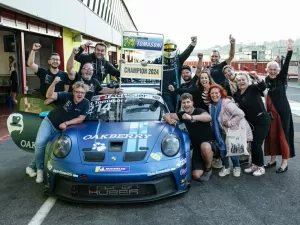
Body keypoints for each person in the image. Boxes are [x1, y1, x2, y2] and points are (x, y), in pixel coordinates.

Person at [25, 79, 90, 183]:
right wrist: (54, 83)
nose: (79, 94)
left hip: (62, 128)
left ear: (85, 94)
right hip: (49, 122)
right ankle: (40, 170)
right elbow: (49, 95)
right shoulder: (66, 95)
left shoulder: (86, 103)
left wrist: (66, 123)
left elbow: (81, 118)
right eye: (77, 92)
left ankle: (30, 167)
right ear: (73, 92)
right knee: (40, 143)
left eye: (82, 92)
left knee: (51, 148)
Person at [163, 93, 217, 181]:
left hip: (211, 143)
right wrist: (169, 120)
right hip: (197, 147)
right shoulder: (182, 114)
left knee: (205, 146)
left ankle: (208, 168)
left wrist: (191, 117)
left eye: (188, 102)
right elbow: (166, 115)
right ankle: (205, 161)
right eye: (183, 103)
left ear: (192, 103)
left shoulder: (199, 110)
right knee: (196, 175)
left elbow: (208, 117)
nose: (186, 105)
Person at [207, 84, 253, 177]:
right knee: (223, 152)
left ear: (221, 94)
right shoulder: (211, 105)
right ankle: (226, 168)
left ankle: (237, 167)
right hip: (219, 132)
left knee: (232, 151)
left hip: (230, 131)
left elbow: (240, 114)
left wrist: (230, 123)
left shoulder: (226, 103)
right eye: (212, 93)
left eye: (216, 93)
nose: (214, 95)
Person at [264, 39, 295, 173]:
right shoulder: (266, 80)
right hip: (271, 113)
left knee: (283, 136)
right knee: (272, 136)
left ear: (278, 70)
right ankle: (272, 161)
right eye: (270, 69)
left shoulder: (281, 77)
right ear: (267, 70)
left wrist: (289, 50)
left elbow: (286, 64)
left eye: (275, 69)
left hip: (282, 112)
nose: (272, 71)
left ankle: (284, 163)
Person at [234, 71, 271, 176]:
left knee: (256, 144)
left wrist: (257, 77)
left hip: (262, 120)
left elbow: (263, 86)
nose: (241, 82)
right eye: (239, 80)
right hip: (251, 124)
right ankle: (254, 164)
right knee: (252, 144)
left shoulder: (253, 88)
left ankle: (260, 167)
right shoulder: (237, 94)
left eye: (243, 80)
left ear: (247, 81)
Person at [153, 37, 197, 112]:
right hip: (165, 91)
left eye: (171, 48)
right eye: (167, 48)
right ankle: (155, 105)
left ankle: (156, 106)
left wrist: (193, 44)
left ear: (175, 48)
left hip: (176, 90)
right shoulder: (158, 60)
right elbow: (148, 70)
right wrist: (143, 64)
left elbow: (187, 52)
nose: (169, 50)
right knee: (170, 110)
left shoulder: (178, 59)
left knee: (176, 110)